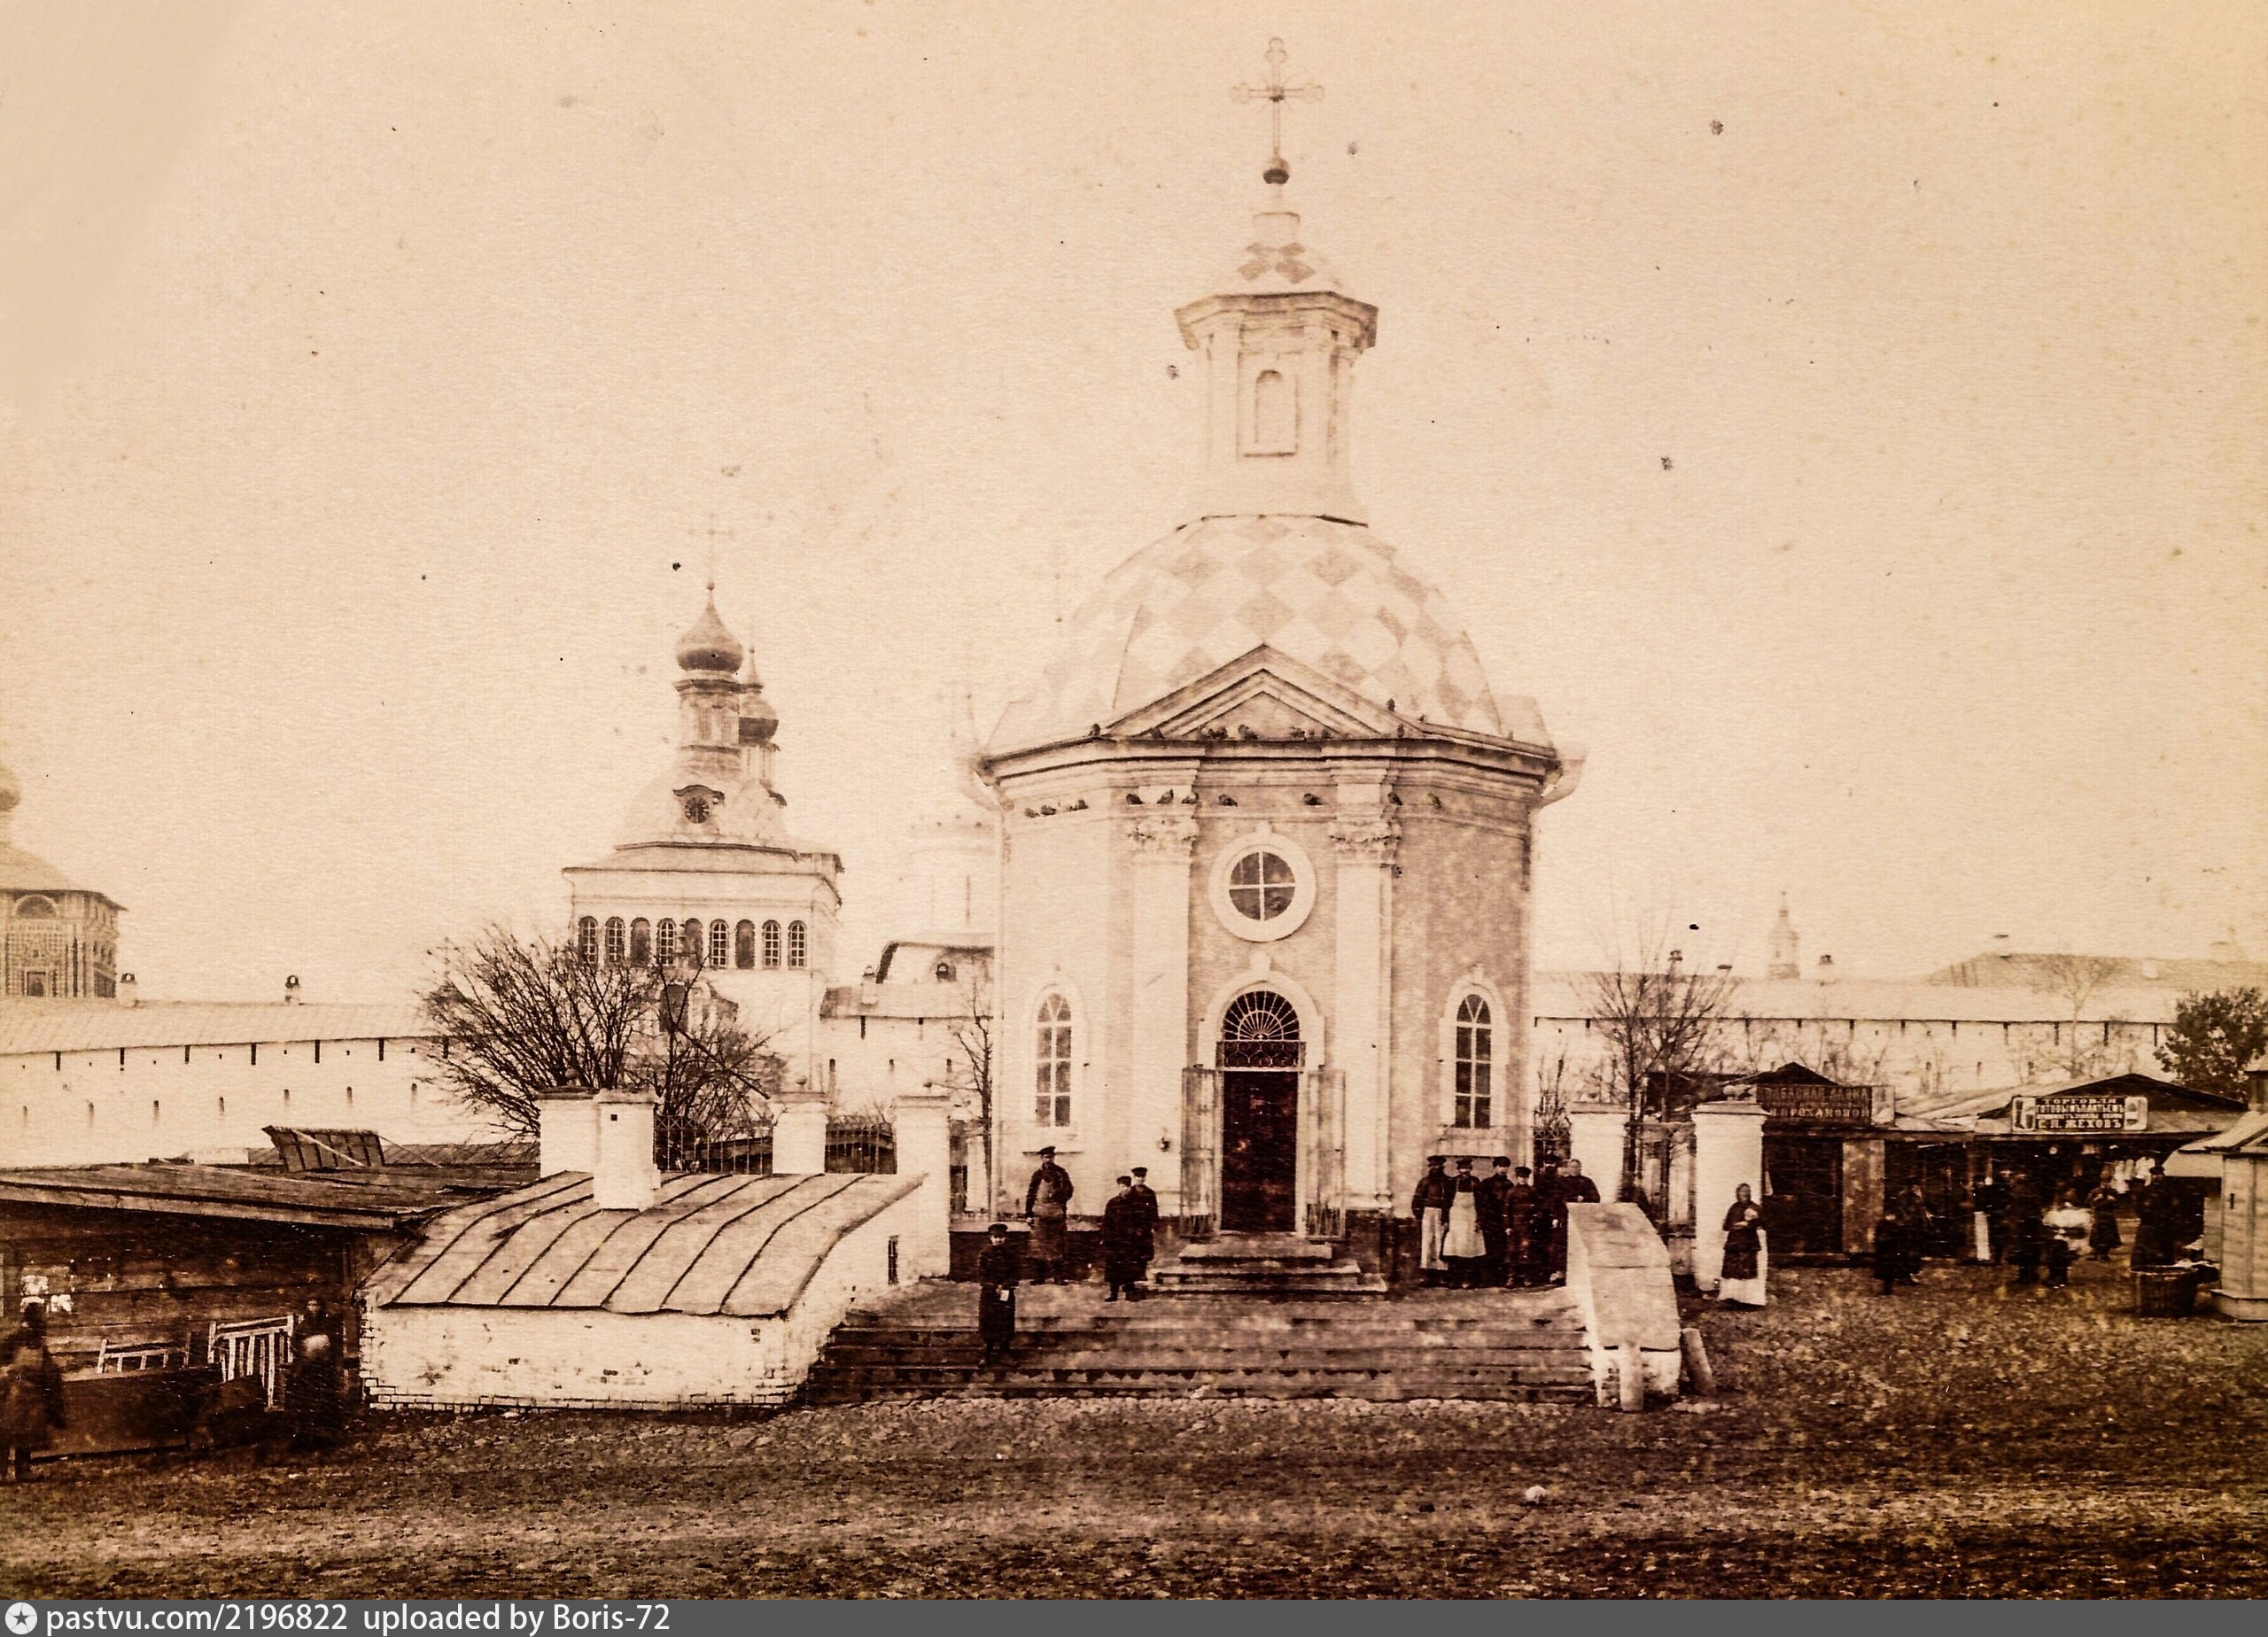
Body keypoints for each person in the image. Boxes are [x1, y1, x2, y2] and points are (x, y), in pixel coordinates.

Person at [1, 1300, 66, 1482]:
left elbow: (49, 1370)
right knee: (5, 1433)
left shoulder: (40, 1346)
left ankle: (23, 1470)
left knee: (27, 1433)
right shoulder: (15, 1339)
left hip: (33, 1395)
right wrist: (9, 1373)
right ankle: (1, 1471)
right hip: (13, 1393)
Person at [285, 1296, 346, 1453]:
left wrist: (330, 1360)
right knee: (304, 1404)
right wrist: (304, 1353)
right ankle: (302, 1437)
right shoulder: (302, 1327)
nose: (313, 1308)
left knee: (324, 1402)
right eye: (310, 1305)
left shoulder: (328, 1326)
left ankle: (326, 1438)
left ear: (321, 1307)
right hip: (306, 1371)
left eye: (316, 1305)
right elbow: (294, 1345)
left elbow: (336, 1347)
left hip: (324, 1370)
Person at [1023, 1146, 1074, 1284]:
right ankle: (1040, 1277)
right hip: (1039, 1214)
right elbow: (1031, 1194)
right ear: (1042, 1158)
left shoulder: (1061, 1173)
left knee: (1057, 1245)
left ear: (1054, 1158)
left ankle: (1058, 1277)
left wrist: (1059, 1194)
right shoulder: (1037, 1174)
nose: (1048, 1160)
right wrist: (1028, 1213)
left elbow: (1069, 1191)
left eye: (1051, 1157)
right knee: (1038, 1246)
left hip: (1056, 1213)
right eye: (1046, 1157)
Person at [1548, 1158, 1601, 1284]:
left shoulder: (1587, 1182)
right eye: (1572, 1167)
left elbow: (1596, 1198)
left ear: (1581, 1168)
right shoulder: (1561, 1182)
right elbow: (1555, 1200)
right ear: (1568, 1168)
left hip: (1581, 1219)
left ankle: (1579, 1273)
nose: (1575, 1169)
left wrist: (1584, 1198)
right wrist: (1555, 1217)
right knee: (1561, 1245)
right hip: (1564, 1217)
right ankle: (1561, 1272)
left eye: (1577, 1167)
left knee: (1580, 1246)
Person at [1718, 1183, 1767, 1307]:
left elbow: (1764, 1223)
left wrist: (1749, 1224)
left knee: (1747, 1270)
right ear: (1737, 1193)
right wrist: (1734, 1225)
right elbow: (1726, 1226)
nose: (1744, 1194)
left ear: (1750, 1193)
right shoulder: (1734, 1207)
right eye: (1741, 1192)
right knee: (1732, 1270)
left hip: (1748, 1243)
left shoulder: (1755, 1207)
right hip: (1734, 1243)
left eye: (1746, 1191)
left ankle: (1749, 1300)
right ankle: (1731, 1297)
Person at [976, 1222, 1020, 1363]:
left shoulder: (1010, 1254)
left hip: (1006, 1292)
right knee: (988, 1321)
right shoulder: (985, 1254)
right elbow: (981, 1275)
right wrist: (993, 1286)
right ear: (991, 1238)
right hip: (989, 1294)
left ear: (1005, 1238)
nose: (998, 1240)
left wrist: (1004, 1285)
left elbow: (1015, 1274)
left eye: (1001, 1237)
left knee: (1005, 1321)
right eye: (995, 1237)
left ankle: (1005, 1351)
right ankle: (987, 1352)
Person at [1100, 1176, 1147, 1302]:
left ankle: (1130, 1293)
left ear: (1130, 1187)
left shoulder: (1135, 1203)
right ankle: (1113, 1293)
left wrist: (1138, 1233)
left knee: (1129, 1267)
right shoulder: (1113, 1202)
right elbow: (1107, 1221)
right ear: (1119, 1187)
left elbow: (1141, 1221)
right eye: (1122, 1186)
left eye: (1127, 1186)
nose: (1125, 1189)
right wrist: (1105, 1237)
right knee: (1113, 1267)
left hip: (1129, 1241)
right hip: (1114, 1241)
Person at [1442, 1158, 1487, 1287]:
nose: (1465, 1171)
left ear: (1471, 1169)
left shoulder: (1475, 1182)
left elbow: (1481, 1203)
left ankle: (1467, 1279)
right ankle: (1455, 1279)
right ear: (1458, 1170)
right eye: (1462, 1168)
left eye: (1467, 1168)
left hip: (1471, 1217)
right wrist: (1445, 1220)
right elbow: (1446, 1202)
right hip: (1456, 1217)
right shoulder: (1452, 1182)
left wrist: (1479, 1220)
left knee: (1469, 1249)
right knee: (1454, 1248)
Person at [1411, 1155, 1455, 1285]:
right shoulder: (1425, 1182)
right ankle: (1426, 1275)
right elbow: (1417, 1199)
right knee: (1427, 1242)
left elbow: (1451, 1200)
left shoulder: (1448, 1182)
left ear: (1442, 1166)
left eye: (1438, 1165)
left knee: (1441, 1242)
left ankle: (1441, 1274)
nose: (1435, 1168)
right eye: (1432, 1166)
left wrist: (1447, 1217)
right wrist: (1419, 1216)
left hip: (1443, 1213)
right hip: (1428, 1213)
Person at [1476, 1157, 1516, 1286]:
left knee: (1502, 1249)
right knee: (1489, 1249)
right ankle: (1487, 1279)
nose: (1503, 1169)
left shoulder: (1510, 1185)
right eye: (1500, 1166)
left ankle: (1500, 1278)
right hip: (1489, 1220)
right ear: (1495, 1167)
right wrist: (1481, 1219)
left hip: (1503, 1221)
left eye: (1505, 1166)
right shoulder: (1486, 1183)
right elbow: (1480, 1203)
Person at [2005, 1171, 2047, 1286]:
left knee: (2026, 1250)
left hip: (2026, 1225)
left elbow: (2020, 1209)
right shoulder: (2031, 1192)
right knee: (2028, 1251)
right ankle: (2029, 1274)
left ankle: (2026, 1275)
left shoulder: (2021, 1193)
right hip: (2029, 1225)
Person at [2044, 1190, 2088, 1288]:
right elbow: (2048, 1223)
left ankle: (2060, 1277)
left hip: (2071, 1240)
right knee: (2053, 1250)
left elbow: (2080, 1228)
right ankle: (2054, 1275)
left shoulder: (2078, 1213)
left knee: (2059, 1250)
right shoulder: (2056, 1212)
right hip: (2060, 1237)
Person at [1128, 1166, 1161, 1285]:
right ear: (1134, 1177)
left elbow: (1154, 1209)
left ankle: (1142, 1272)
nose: (1141, 1179)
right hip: (1132, 1226)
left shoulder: (1150, 1193)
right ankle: (1133, 1273)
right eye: (1138, 1177)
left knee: (1144, 1250)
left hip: (1145, 1226)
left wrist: (1154, 1225)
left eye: (1143, 1177)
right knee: (1132, 1250)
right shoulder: (1130, 1192)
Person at [2086, 1177, 2124, 1261]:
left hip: (2109, 1216)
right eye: (2104, 1182)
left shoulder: (2113, 1191)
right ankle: (2095, 1254)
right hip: (2098, 1216)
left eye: (2107, 1182)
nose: (2106, 1184)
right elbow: (2087, 1202)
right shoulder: (2095, 1191)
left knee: (2107, 1235)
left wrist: (2114, 1200)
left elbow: (2119, 1205)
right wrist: (2096, 1198)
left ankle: (2104, 1255)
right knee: (2096, 1235)